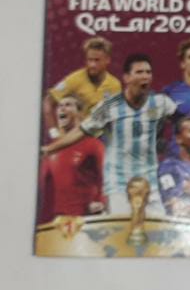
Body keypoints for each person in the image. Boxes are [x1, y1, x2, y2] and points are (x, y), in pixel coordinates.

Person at [40, 53, 178, 216]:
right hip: (118, 187)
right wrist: (50, 148)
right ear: (126, 78)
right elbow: (81, 130)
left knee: (156, 229)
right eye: (139, 72)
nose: (145, 76)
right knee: (120, 230)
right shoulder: (110, 106)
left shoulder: (161, 102)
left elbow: (183, 122)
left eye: (148, 72)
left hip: (150, 186)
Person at [37, 95, 105, 223]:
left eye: (68, 105)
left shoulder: (93, 144)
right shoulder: (52, 149)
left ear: (80, 114)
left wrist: (100, 201)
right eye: (59, 106)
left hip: (85, 218)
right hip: (57, 221)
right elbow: (41, 184)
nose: (62, 108)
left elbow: (106, 175)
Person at [42, 36, 121, 135]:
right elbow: (48, 102)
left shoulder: (114, 85)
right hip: (74, 137)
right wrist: (54, 133)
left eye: (97, 60)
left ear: (107, 60)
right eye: (89, 60)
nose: (92, 65)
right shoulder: (74, 79)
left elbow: (114, 117)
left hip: (99, 139)